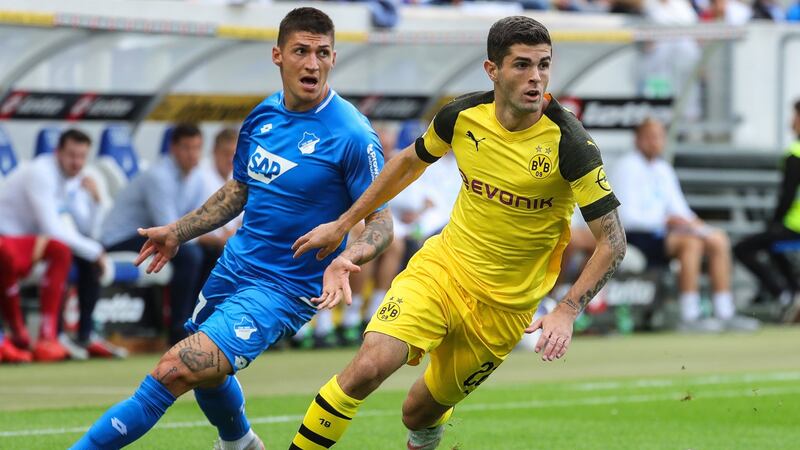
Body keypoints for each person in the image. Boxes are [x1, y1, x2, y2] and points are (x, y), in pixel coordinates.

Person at [288, 16, 626, 450]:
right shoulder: (462, 116)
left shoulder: (570, 143)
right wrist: (342, 222)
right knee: (369, 367)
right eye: (522, 65)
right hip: (442, 271)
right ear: (493, 71)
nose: (535, 77)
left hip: (504, 311)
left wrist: (567, 310)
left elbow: (613, 243)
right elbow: (409, 162)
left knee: (418, 411)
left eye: (543, 65)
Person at [71, 7, 390, 450]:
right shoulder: (262, 116)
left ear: (334, 58)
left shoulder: (353, 134)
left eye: (322, 53)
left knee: (175, 369)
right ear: (278, 55)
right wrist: (179, 231)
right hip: (234, 267)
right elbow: (240, 188)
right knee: (207, 370)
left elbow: (382, 219)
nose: (312, 64)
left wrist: (347, 255)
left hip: (283, 288)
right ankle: (239, 443)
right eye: (301, 51)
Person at [610, 117, 757, 332]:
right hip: (635, 237)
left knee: (718, 240)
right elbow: (627, 218)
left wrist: (701, 228)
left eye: (659, 137)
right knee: (691, 244)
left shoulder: (663, 169)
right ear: (638, 140)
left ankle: (725, 311)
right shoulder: (626, 167)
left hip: (664, 235)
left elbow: (680, 210)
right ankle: (690, 315)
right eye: (650, 137)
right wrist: (667, 221)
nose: (655, 142)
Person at [0, 129, 109, 361]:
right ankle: (37, 336)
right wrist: (96, 252)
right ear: (57, 152)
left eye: (82, 156)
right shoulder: (41, 172)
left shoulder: (73, 179)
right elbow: (52, 229)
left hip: (33, 244)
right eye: (71, 155)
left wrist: (96, 201)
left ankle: (82, 335)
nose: (77, 162)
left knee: (79, 256)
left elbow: (86, 230)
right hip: (7, 238)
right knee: (64, 249)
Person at [101, 123, 207, 345]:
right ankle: (179, 330)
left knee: (209, 251)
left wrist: (210, 237)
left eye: (197, 148)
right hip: (119, 239)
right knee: (191, 255)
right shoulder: (159, 176)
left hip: (152, 235)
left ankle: (202, 324)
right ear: (173, 149)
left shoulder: (197, 176)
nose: (192, 154)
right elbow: (169, 228)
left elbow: (202, 220)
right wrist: (208, 235)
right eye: (187, 148)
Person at [733, 99, 800, 320]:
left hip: (794, 225)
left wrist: (775, 221)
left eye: (796, 116)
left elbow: (787, 196)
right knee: (773, 245)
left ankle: (785, 294)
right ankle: (793, 292)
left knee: (743, 248)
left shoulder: (795, 153)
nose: (792, 121)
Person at [196, 127, 241, 287]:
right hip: (204, 244)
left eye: (234, 154)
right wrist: (219, 239)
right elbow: (189, 218)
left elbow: (242, 219)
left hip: (226, 243)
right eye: (226, 153)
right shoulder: (199, 176)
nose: (230, 159)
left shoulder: (238, 176)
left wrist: (230, 235)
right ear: (214, 151)